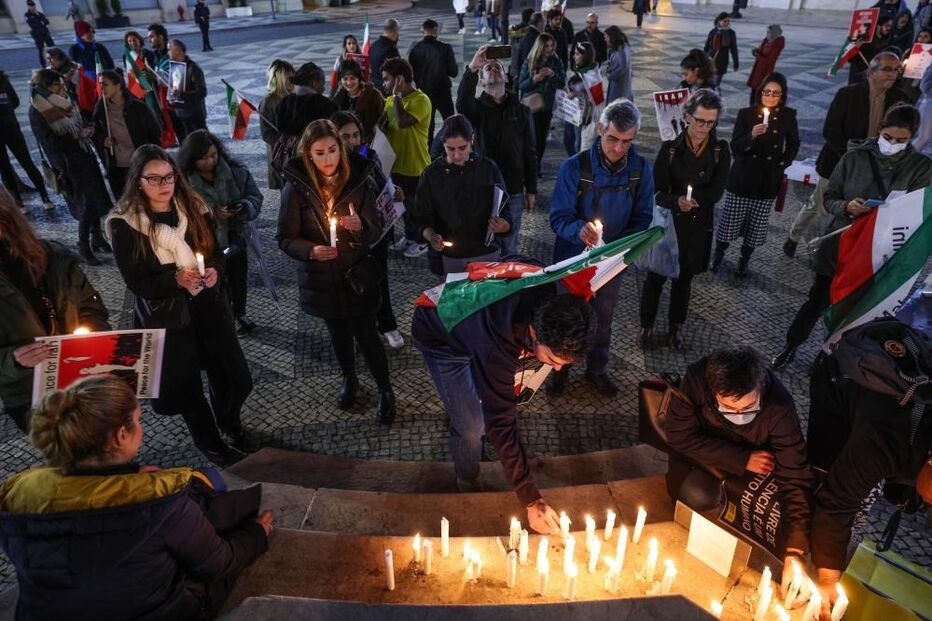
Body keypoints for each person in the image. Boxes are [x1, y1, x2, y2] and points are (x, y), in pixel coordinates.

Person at [0, 375, 272, 620]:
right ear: (121, 435)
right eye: (138, 420)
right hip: (157, 612)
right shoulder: (160, 498)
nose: (141, 427)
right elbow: (218, 563)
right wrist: (257, 533)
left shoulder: (18, 490)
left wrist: (126, 476)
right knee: (210, 482)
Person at [107, 145, 251, 464]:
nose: (164, 185)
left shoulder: (193, 205)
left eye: (169, 176)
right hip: (169, 317)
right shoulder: (125, 224)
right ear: (138, 181)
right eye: (154, 179)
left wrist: (215, 269)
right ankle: (212, 444)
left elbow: (213, 252)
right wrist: (175, 280)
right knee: (189, 392)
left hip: (207, 306)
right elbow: (137, 282)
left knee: (235, 376)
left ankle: (229, 422)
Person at [413, 287, 596, 531]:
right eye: (552, 360)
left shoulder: (545, 287)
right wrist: (531, 499)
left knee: (486, 397)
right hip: (440, 334)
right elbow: (501, 423)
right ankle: (467, 477)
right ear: (534, 331)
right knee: (472, 424)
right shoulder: (496, 345)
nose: (558, 369)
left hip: (474, 326)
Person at [772, 104, 931, 369]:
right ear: (880, 130)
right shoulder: (854, 158)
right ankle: (791, 346)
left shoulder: (920, 168)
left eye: (901, 141)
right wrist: (847, 207)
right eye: (888, 137)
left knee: (852, 311)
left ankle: (828, 356)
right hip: (840, 246)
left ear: (912, 137)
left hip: (878, 254)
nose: (893, 144)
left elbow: (916, 211)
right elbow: (830, 196)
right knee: (817, 301)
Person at [805, 318, 932, 617]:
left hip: (893, 409)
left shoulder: (913, 456)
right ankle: (807, 547)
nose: (928, 506)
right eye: (930, 501)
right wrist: (827, 577)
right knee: (823, 475)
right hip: (841, 380)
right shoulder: (885, 442)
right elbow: (838, 501)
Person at [664, 347, 813, 596]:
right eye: (729, 408)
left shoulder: (779, 406)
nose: (740, 415)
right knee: (694, 498)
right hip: (705, 459)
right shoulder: (696, 380)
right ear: (714, 393)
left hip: (757, 468)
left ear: (761, 384)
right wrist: (741, 459)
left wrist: (795, 552)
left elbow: (795, 472)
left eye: (749, 407)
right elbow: (678, 435)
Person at [277, 120, 396, 425]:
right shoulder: (296, 188)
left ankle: (385, 389)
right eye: (320, 152)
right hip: (322, 280)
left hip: (357, 275)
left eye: (333, 150)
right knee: (338, 335)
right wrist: (311, 251)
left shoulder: (359, 179)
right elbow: (285, 237)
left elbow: (377, 227)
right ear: (308, 155)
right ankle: (350, 380)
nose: (328, 158)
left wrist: (363, 226)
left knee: (368, 336)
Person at [548, 99, 654, 395]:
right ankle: (560, 368)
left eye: (627, 142)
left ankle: (596, 369)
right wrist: (577, 229)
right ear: (599, 129)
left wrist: (622, 247)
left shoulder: (640, 170)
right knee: (567, 318)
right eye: (612, 139)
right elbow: (558, 217)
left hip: (611, 264)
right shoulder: (574, 168)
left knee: (603, 320)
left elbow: (644, 216)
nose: (619, 148)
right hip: (572, 261)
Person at [0, 190, 109, 432]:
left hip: (81, 374)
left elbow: (90, 305)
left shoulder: (49, 254)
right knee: (67, 456)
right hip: (29, 393)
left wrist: (93, 337)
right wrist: (14, 360)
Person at [783, 52, 909, 257]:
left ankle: (838, 250)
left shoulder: (900, 99)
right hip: (837, 161)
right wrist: (851, 157)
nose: (892, 74)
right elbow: (830, 130)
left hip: (874, 167)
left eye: (896, 70)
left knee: (858, 208)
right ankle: (794, 237)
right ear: (871, 72)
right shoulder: (848, 94)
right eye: (887, 69)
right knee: (819, 204)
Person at [639, 89, 730, 351]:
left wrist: (694, 201)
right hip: (668, 225)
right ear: (687, 116)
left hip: (697, 227)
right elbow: (656, 192)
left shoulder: (719, 151)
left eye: (710, 122)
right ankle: (646, 326)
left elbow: (716, 191)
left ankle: (675, 328)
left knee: (684, 280)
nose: (704, 128)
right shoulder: (669, 149)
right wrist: (676, 201)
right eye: (699, 120)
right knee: (655, 278)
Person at [331, 110, 405, 350]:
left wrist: (395, 193)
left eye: (355, 135)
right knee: (351, 283)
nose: (352, 141)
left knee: (379, 278)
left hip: (375, 231)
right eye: (345, 136)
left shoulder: (370, 156)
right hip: (346, 234)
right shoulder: (331, 165)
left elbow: (384, 184)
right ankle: (360, 330)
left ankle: (387, 324)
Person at [713, 73, 799, 276]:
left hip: (767, 181)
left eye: (776, 93)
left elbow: (794, 143)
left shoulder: (788, 115)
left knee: (756, 226)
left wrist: (782, 163)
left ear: (782, 95)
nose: (770, 96)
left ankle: (744, 259)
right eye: (767, 92)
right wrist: (751, 135)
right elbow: (735, 146)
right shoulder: (746, 114)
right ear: (760, 92)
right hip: (742, 178)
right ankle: (719, 254)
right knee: (729, 223)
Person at [179, 130, 263, 335]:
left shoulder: (235, 172)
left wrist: (242, 207)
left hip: (234, 237)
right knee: (215, 281)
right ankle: (222, 318)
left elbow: (254, 196)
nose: (210, 161)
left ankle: (239, 312)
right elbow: (182, 214)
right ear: (192, 159)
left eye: (214, 155)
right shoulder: (184, 183)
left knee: (238, 277)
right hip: (206, 242)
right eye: (204, 158)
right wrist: (211, 213)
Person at [458, 46, 536, 256]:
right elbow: (462, 104)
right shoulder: (476, 109)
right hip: (484, 186)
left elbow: (529, 151)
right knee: (484, 242)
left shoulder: (521, 111)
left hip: (513, 188)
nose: (493, 68)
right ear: (482, 82)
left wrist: (531, 188)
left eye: (498, 67)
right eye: (488, 68)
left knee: (509, 244)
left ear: (507, 78)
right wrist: (473, 67)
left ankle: (508, 285)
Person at [29, 69, 112, 266]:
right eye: (55, 85)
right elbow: (50, 143)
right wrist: (77, 136)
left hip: (84, 157)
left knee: (95, 199)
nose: (61, 88)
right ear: (45, 88)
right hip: (67, 165)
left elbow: (77, 122)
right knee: (85, 204)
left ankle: (97, 238)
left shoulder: (63, 102)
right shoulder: (39, 110)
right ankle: (83, 246)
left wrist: (85, 130)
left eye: (60, 84)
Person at [412, 115, 511, 276]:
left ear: (472, 140)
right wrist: (431, 237)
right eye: (450, 149)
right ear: (442, 143)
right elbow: (420, 218)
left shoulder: (487, 168)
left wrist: (503, 225)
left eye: (462, 148)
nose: (457, 155)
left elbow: (505, 211)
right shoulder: (431, 174)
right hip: (449, 256)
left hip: (486, 253)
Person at [379, 58, 432, 259]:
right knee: (403, 207)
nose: (383, 84)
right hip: (396, 165)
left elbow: (402, 122)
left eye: (387, 79)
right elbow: (384, 126)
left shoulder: (421, 100)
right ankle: (410, 236)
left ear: (399, 79)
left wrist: (398, 96)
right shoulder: (390, 101)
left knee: (417, 208)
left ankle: (422, 241)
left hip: (416, 166)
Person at [93, 70, 162, 198]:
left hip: (141, 164)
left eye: (105, 84)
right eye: (100, 84)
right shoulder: (100, 108)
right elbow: (96, 133)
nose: (101, 88)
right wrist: (103, 140)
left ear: (118, 85)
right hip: (117, 168)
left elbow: (155, 133)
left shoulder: (138, 107)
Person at [0, 71, 54, 212]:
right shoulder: (4, 80)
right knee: (10, 166)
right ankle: (24, 200)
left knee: (21, 164)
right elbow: (14, 101)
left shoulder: (4, 81)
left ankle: (37, 198)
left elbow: (15, 101)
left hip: (11, 128)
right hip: (11, 126)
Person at [519, 33, 566, 176]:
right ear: (540, 46)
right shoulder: (530, 61)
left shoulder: (556, 62)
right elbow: (522, 85)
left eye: (552, 45)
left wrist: (552, 75)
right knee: (530, 139)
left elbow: (561, 83)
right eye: (546, 46)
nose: (550, 48)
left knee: (541, 139)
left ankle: (536, 167)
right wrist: (535, 79)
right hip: (531, 106)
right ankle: (528, 167)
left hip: (546, 106)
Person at [408, 19, 458, 147]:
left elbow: (411, 74)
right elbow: (454, 72)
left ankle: (429, 154)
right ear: (436, 31)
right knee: (450, 123)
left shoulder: (415, 50)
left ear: (422, 31)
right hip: (443, 92)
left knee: (427, 128)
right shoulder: (445, 48)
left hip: (424, 94)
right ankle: (450, 148)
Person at [275, 61, 338, 142]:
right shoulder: (325, 105)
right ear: (315, 83)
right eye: (322, 84)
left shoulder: (284, 102)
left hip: (287, 151)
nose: (323, 89)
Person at [258, 59, 294, 191]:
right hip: (280, 155)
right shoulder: (268, 103)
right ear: (280, 78)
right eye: (289, 76)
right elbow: (266, 134)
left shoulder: (293, 96)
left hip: (295, 151)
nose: (293, 79)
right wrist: (284, 140)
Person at [332, 60, 385, 146]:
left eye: (352, 78)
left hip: (369, 144)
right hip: (345, 146)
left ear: (359, 78)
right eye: (345, 79)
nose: (349, 83)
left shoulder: (373, 95)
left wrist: (373, 135)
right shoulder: (339, 98)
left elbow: (384, 118)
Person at [167, 39, 208, 142]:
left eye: (169, 50)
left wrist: (181, 95)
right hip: (181, 113)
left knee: (202, 143)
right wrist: (171, 97)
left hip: (194, 115)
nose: (168, 53)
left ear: (177, 51)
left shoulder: (193, 68)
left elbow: (202, 92)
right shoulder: (175, 67)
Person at [563, 42, 599, 156]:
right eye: (574, 54)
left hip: (583, 115)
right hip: (572, 111)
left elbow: (596, 98)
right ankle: (574, 163)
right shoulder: (579, 70)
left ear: (585, 56)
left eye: (577, 54)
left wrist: (577, 94)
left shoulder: (592, 74)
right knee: (568, 140)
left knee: (579, 144)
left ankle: (580, 167)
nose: (574, 57)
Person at [848, 15, 893, 85]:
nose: (889, 28)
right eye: (887, 26)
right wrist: (855, 48)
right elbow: (850, 59)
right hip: (858, 79)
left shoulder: (889, 42)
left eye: (890, 26)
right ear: (879, 25)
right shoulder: (865, 40)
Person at [747, 25, 785, 105]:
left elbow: (770, 59)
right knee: (754, 90)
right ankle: (750, 108)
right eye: (767, 32)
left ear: (774, 33)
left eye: (769, 32)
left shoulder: (778, 43)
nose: (767, 34)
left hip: (765, 70)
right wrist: (756, 51)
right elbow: (760, 49)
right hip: (757, 68)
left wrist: (758, 55)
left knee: (760, 89)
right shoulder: (766, 40)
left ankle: (756, 108)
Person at [704, 13, 739, 89]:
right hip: (711, 60)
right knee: (708, 83)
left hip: (722, 62)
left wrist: (736, 64)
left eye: (728, 21)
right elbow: (706, 47)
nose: (726, 23)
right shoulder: (713, 32)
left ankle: (713, 98)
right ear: (719, 21)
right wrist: (703, 60)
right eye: (724, 21)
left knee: (716, 84)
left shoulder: (731, 33)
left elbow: (734, 49)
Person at [604, 26, 633, 104]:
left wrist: (610, 75)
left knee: (616, 105)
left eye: (606, 37)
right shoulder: (622, 47)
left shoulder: (620, 51)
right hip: (622, 84)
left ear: (612, 37)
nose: (605, 39)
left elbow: (621, 67)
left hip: (619, 85)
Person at [370, 18, 401, 85]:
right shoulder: (391, 49)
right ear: (395, 31)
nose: (399, 34)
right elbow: (396, 73)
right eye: (398, 31)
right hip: (386, 89)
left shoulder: (373, 45)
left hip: (375, 87)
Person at [25, 0, 54, 69]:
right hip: (37, 35)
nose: (33, 7)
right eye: (31, 6)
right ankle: (43, 65)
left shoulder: (39, 14)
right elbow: (32, 25)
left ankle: (56, 61)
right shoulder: (27, 15)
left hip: (45, 33)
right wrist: (41, 23)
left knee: (52, 47)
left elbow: (47, 22)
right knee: (41, 50)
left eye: (33, 6)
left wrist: (39, 16)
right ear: (28, 6)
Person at [515, 11, 544, 80]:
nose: (544, 24)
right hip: (534, 76)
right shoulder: (538, 38)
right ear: (539, 23)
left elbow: (519, 59)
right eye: (543, 21)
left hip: (524, 74)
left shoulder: (526, 36)